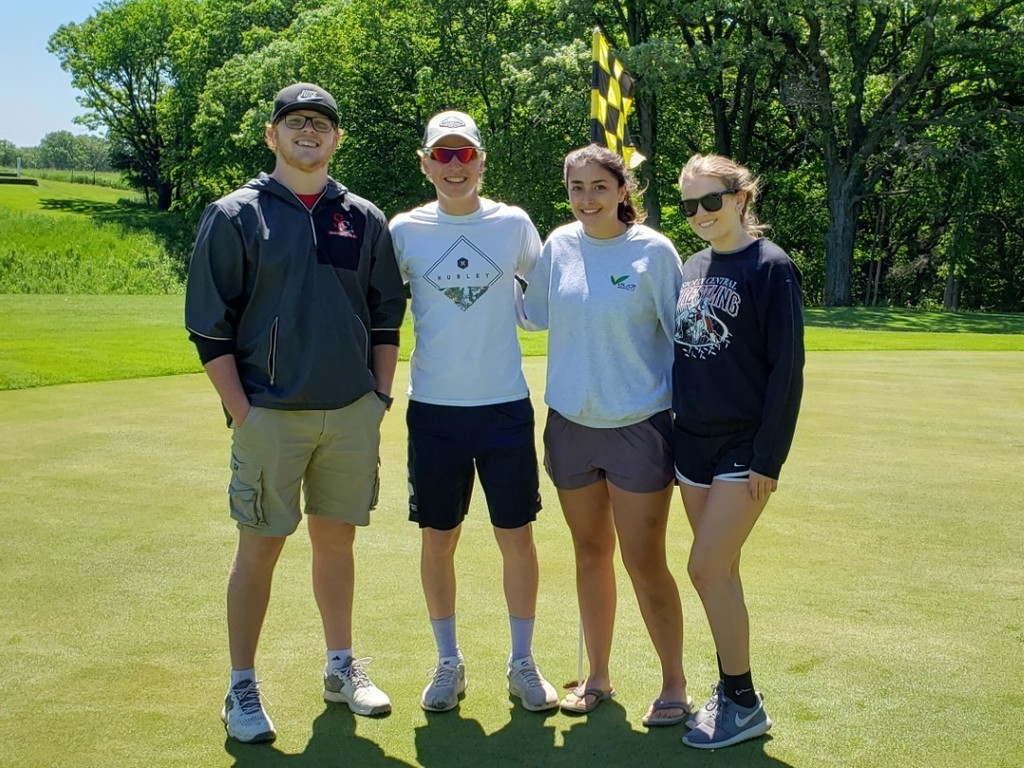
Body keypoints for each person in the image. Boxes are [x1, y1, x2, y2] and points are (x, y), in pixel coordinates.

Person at [184, 82, 407, 744]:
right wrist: (243, 413)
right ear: (272, 135)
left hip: (349, 412)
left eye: (322, 123)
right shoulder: (235, 216)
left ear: (337, 138)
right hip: (269, 415)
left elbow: (385, 314)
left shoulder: (362, 217)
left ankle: (340, 668)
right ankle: (241, 686)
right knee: (259, 547)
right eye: (296, 122)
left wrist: (378, 398)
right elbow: (209, 328)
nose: (309, 132)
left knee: (336, 542)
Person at [389, 110, 558, 713]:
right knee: (440, 539)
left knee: (517, 536)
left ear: (482, 161)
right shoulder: (404, 230)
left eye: (466, 155)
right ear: (425, 161)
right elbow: (380, 311)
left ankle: (522, 663)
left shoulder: (512, 224)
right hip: (433, 410)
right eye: (443, 155)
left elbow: (538, 303)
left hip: (504, 407)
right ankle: (448, 663)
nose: (455, 166)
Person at [519, 144, 691, 726]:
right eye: (576, 187)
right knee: (591, 553)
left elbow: (683, 338)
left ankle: (674, 683)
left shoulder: (655, 252)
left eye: (598, 186)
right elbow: (532, 314)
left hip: (639, 426)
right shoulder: (558, 245)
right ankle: (597, 676)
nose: (586, 198)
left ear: (624, 190)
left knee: (646, 561)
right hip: (570, 425)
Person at [672, 153, 804, 749]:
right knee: (720, 572)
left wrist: (767, 460)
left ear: (740, 199)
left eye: (711, 201)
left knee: (704, 567)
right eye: (690, 204)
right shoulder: (693, 265)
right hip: (691, 445)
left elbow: (787, 370)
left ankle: (743, 699)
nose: (701, 214)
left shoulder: (771, 267)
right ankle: (732, 689)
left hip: (742, 447)